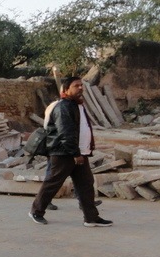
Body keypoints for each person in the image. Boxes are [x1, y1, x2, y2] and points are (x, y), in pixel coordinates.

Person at [30, 77, 113, 227]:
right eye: (76, 86)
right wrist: (76, 154)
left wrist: (82, 152)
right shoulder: (63, 107)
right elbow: (65, 133)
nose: (80, 88)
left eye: (81, 85)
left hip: (80, 152)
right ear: (66, 89)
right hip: (64, 153)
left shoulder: (77, 105)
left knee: (86, 184)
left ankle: (91, 218)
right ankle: (36, 211)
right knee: (53, 183)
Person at [42, 99, 102, 211]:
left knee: (82, 179)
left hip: (74, 149)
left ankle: (84, 202)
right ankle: (43, 204)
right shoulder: (60, 107)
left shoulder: (75, 107)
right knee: (53, 177)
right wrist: (74, 151)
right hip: (60, 149)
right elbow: (62, 131)